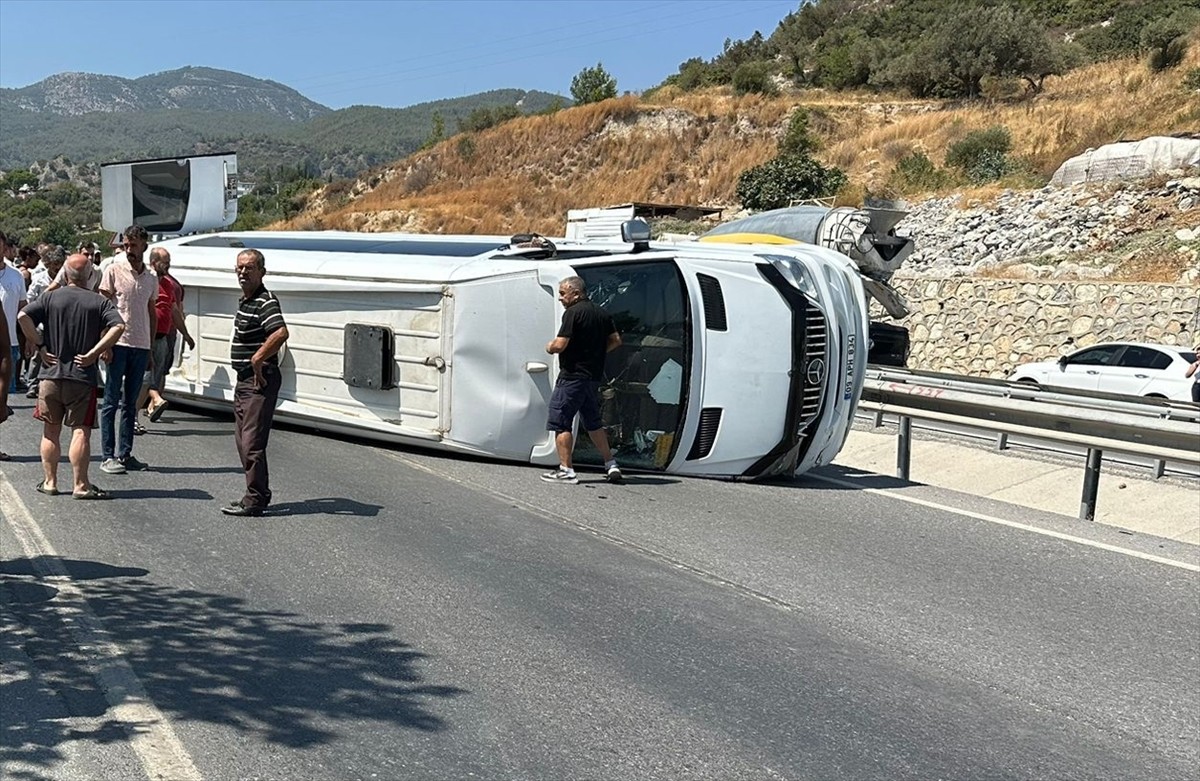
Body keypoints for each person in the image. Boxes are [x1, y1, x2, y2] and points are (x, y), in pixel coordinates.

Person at [17, 252, 125, 499]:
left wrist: (40, 345)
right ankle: (80, 485)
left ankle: (50, 482)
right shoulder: (99, 302)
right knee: (80, 431)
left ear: (65, 274)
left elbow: (22, 316)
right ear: (89, 275)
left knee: (50, 430)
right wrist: (94, 353)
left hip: (50, 376)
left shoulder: (50, 298)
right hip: (81, 377)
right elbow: (118, 326)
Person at [223, 248, 289, 517]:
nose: (243, 272)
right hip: (244, 382)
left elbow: (281, 332)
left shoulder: (266, 301)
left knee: (251, 442)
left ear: (262, 271)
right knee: (242, 441)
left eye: (249, 268)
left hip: (258, 381)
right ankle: (256, 493)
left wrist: (257, 359)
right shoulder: (246, 300)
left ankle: (256, 499)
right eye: (239, 267)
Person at [541, 275, 623, 484]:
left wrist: (549, 347)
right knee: (593, 422)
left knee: (561, 420)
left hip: (572, 376)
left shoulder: (573, 313)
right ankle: (610, 463)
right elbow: (616, 340)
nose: (560, 298)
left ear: (575, 293)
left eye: (562, 293)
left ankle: (566, 469)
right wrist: (597, 354)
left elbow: (560, 345)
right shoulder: (601, 313)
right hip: (592, 376)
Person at [97, 225, 158, 475]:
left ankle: (126, 453)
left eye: (134, 245)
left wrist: (151, 348)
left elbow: (151, 313)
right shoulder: (113, 270)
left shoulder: (151, 278)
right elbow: (102, 307)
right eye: (126, 245)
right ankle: (107, 455)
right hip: (118, 344)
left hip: (140, 345)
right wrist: (105, 342)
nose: (129, 250)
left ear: (144, 245)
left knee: (131, 403)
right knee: (111, 400)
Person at [142, 247, 194, 423]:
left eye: (169, 261)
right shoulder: (145, 281)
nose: (168, 265)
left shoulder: (168, 285)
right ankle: (151, 402)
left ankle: (152, 405)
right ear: (154, 262)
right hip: (145, 337)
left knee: (158, 374)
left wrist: (186, 334)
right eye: (165, 262)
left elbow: (174, 312)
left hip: (162, 337)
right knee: (144, 378)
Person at [24, 245, 66, 399]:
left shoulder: (66, 279)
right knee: (37, 354)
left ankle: (55, 382)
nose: (57, 268)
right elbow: (30, 298)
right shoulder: (39, 279)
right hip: (41, 322)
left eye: (60, 265)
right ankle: (33, 384)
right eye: (55, 265)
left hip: (59, 323)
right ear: (49, 264)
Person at [0, 231, 27, 395]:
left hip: (9, 343)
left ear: (4, 249)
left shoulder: (16, 276)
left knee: (4, 394)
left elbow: (22, 308)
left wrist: (29, 338)